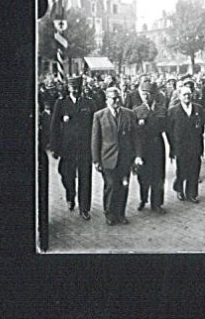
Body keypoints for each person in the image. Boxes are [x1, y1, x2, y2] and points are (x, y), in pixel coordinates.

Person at [91, 87, 143, 226]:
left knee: (124, 186)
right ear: (107, 100)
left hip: (125, 158)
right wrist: (96, 160)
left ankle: (121, 214)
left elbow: (136, 137)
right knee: (111, 185)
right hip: (108, 158)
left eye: (118, 98)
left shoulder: (129, 114)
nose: (116, 101)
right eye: (113, 98)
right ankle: (109, 213)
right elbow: (95, 139)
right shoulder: (99, 116)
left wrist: (138, 155)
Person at [50, 76, 97, 220]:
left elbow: (95, 127)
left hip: (85, 148)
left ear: (81, 88)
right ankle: (70, 195)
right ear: (68, 88)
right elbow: (54, 127)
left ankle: (84, 208)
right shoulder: (61, 103)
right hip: (67, 149)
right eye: (72, 87)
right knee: (67, 175)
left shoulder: (89, 103)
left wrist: (95, 149)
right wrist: (55, 148)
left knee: (85, 178)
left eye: (77, 87)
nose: (74, 90)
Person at [166, 84, 205, 203]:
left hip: (195, 145)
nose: (187, 96)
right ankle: (179, 188)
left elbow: (202, 127)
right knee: (182, 170)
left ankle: (192, 194)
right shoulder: (173, 111)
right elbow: (169, 131)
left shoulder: (198, 109)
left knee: (194, 170)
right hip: (180, 146)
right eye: (184, 94)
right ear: (179, 96)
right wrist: (173, 148)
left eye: (189, 94)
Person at [132, 81, 168, 214]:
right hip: (143, 147)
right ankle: (143, 199)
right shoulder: (136, 111)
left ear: (154, 95)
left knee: (158, 176)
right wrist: (136, 154)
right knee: (143, 175)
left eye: (149, 94)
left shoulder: (161, 109)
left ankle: (157, 203)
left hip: (158, 145)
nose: (146, 96)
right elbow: (134, 134)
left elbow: (166, 128)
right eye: (143, 94)